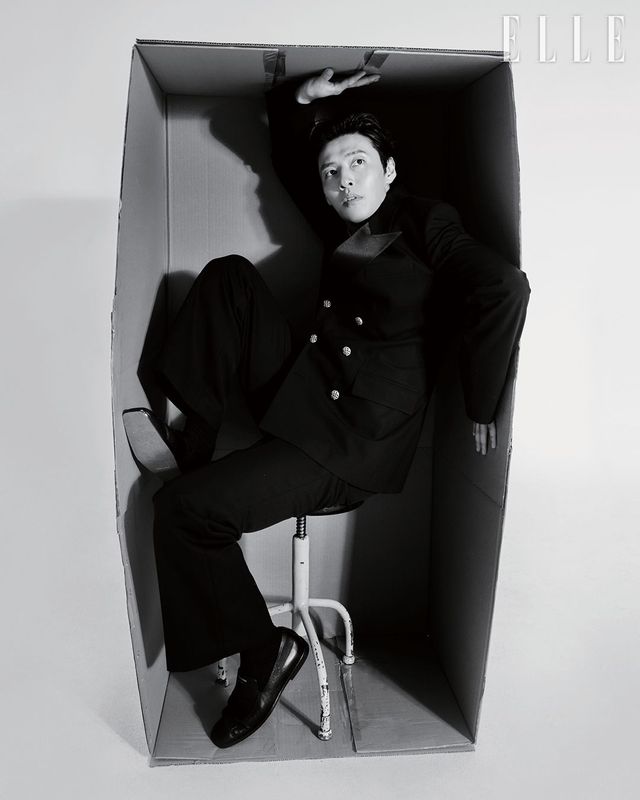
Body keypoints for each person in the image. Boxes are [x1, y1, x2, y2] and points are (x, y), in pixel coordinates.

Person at [122, 68, 530, 749]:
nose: (343, 180)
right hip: (303, 395)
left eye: (358, 163)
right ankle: (191, 446)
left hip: (349, 444)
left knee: (184, 513)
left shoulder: (427, 224)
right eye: (332, 172)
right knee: (229, 278)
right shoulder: (347, 226)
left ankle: (266, 651)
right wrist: (302, 101)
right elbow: (292, 163)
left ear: (390, 170)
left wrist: (482, 399)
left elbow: (504, 288)